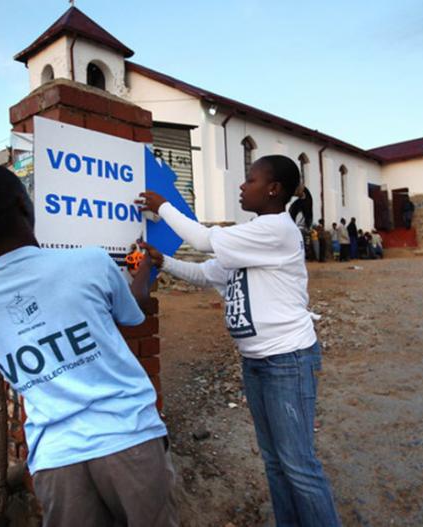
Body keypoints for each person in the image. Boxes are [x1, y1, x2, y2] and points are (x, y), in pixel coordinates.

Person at [0, 164, 176, 527]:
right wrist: (143, 273)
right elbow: (132, 314)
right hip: (128, 437)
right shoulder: (89, 261)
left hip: (55, 461)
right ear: (23, 205)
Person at [138, 156, 341, 527]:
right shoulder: (251, 236)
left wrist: (162, 205)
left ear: (273, 189)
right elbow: (206, 273)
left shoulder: (276, 229)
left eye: (250, 180)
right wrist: (163, 262)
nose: (242, 186)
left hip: (287, 360)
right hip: (257, 362)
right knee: (275, 462)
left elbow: (203, 240)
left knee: (299, 466)